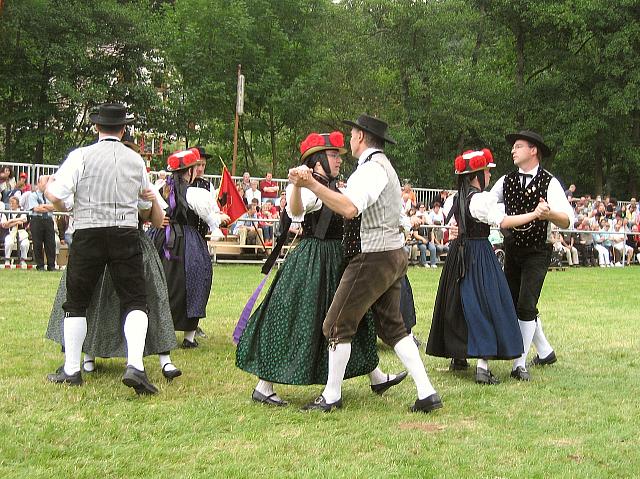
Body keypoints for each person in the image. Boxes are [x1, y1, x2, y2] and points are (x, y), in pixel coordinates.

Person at [236, 131, 405, 406]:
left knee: (355, 319)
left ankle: (375, 376)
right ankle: (263, 385)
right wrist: (300, 185)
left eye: (339, 154)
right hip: (314, 261)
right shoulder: (311, 187)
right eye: (332, 155)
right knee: (300, 321)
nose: (339, 159)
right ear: (316, 161)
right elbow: (296, 211)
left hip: (336, 260)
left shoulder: (334, 186)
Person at [289, 114, 441, 413]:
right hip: (392, 253)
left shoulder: (369, 171)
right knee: (394, 328)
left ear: (360, 137)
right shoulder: (383, 167)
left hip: (373, 256)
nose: (347, 140)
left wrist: (312, 184)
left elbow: (348, 208)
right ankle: (427, 392)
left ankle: (331, 396)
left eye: (351, 134)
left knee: (336, 324)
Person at [45, 102, 157, 394]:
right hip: (125, 232)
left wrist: (63, 205)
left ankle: (72, 368)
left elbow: (56, 193)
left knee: (77, 301)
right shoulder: (136, 161)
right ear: (123, 129)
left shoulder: (81, 156)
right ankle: (135, 365)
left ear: (96, 127)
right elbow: (146, 206)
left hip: (89, 231)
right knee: (135, 300)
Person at [426, 149, 546, 384]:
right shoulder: (480, 199)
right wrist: (534, 214)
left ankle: (458, 357)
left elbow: (452, 223)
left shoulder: (456, 196)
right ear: (476, 175)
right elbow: (504, 221)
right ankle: (482, 365)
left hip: (458, 254)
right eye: (487, 171)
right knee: (486, 305)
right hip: (478, 253)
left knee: (458, 304)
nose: (490, 175)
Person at [491, 130, 574, 380]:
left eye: (518, 146)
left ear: (533, 150)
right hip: (513, 248)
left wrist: (549, 214)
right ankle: (545, 351)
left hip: (538, 251)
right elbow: (487, 202)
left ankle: (519, 363)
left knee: (526, 304)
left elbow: (568, 220)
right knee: (515, 302)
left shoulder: (550, 182)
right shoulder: (505, 180)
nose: (512, 151)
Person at [150, 148, 229, 349]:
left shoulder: (161, 189)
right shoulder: (194, 193)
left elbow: (151, 210)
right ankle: (189, 337)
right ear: (190, 171)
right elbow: (209, 217)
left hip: (162, 238)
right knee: (195, 281)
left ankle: (159, 330)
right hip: (188, 241)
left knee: (162, 281)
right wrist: (218, 221)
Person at [27, 176, 56, 271]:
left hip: (48, 220)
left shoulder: (50, 195)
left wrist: (43, 206)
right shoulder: (32, 195)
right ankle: (40, 265)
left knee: (51, 243)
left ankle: (51, 265)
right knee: (37, 243)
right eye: (44, 184)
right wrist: (47, 207)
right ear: (38, 184)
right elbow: (36, 209)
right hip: (37, 220)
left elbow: (54, 207)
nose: (46, 186)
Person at [1, 196, 29, 268]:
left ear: (17, 204)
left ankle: (23, 260)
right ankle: (7, 259)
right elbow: (4, 225)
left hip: (21, 232)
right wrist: (14, 222)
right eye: (10, 203)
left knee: (25, 244)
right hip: (11, 232)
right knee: (8, 242)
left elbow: (23, 220)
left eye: (13, 203)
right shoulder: (6, 212)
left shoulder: (22, 211)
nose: (11, 204)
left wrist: (9, 222)